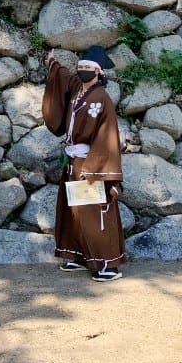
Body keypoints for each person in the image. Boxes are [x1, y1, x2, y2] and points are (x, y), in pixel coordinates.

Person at [42, 45, 127, 281]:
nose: (83, 71)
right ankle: (78, 255)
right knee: (75, 213)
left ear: (98, 72)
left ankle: (106, 264)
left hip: (91, 165)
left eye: (88, 68)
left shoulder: (102, 99)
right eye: (80, 67)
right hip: (73, 162)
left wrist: (106, 175)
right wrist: (52, 63)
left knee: (94, 213)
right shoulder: (78, 88)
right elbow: (64, 78)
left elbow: (107, 137)